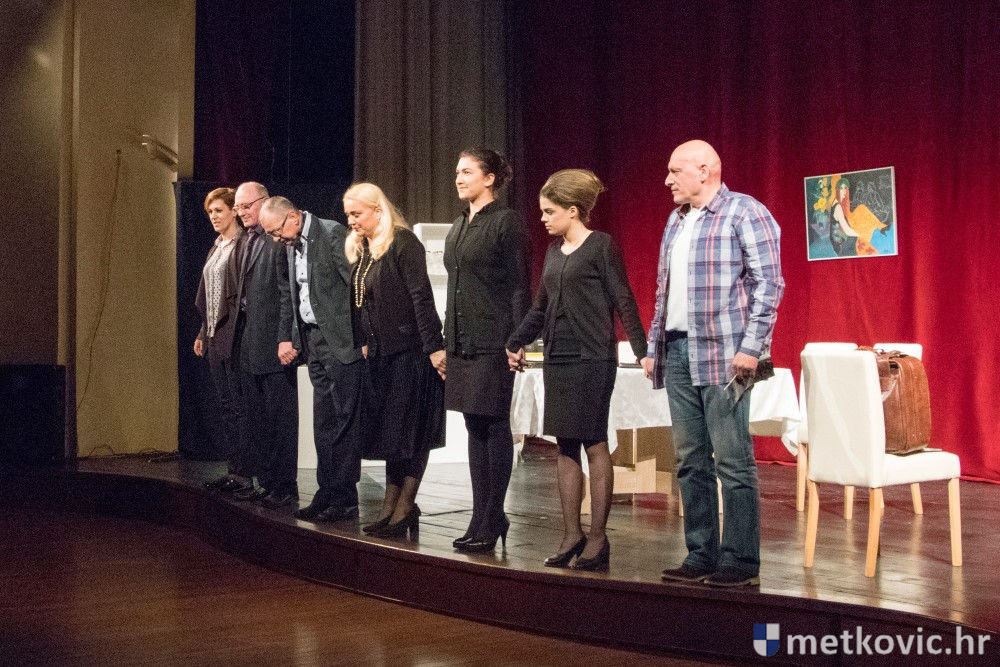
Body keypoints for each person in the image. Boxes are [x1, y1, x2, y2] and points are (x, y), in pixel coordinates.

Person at [643, 140, 784, 588]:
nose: (667, 180)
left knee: (732, 461)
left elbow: (769, 285)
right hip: (678, 350)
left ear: (704, 170)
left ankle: (740, 561)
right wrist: (653, 345)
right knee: (689, 459)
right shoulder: (676, 220)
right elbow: (664, 290)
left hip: (725, 353)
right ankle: (700, 552)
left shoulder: (745, 212)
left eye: (675, 171)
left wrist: (752, 346)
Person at [506, 169, 646, 571]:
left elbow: (623, 298)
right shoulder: (554, 252)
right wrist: (516, 340)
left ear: (573, 210)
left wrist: (643, 351)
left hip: (592, 357)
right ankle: (572, 534)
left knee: (593, 442)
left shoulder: (601, 246)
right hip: (559, 358)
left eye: (549, 212)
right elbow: (540, 307)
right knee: (564, 443)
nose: (543, 219)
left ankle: (598, 539)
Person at [344, 182, 446, 538]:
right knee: (392, 434)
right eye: (348, 215)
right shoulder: (365, 249)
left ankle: (405, 506)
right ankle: (390, 506)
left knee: (413, 432)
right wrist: (362, 342)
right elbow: (360, 304)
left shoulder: (403, 243)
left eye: (357, 213)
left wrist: (434, 347)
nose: (351, 221)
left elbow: (421, 297)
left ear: (378, 210)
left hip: (410, 353)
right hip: (381, 355)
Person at [259, 196, 366, 523]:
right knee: (323, 421)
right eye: (271, 234)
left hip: (341, 341)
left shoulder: (331, 234)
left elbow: (356, 287)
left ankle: (345, 498)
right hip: (313, 340)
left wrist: (361, 337)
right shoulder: (290, 245)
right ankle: (327, 490)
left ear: (293, 217)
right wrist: (291, 336)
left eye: (276, 231)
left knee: (344, 420)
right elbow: (290, 294)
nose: (275, 239)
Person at [445, 148, 530, 553]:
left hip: (493, 340)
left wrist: (518, 339)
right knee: (473, 424)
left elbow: (519, 286)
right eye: (457, 173)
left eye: (467, 172)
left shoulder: (505, 222)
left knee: (493, 424)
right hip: (461, 340)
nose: (459, 179)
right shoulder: (460, 222)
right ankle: (481, 516)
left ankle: (493, 516)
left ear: (490, 178)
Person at [232, 182, 299, 508]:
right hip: (251, 342)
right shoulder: (247, 240)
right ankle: (267, 481)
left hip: (275, 343)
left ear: (264, 201)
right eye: (238, 207)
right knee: (258, 417)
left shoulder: (277, 240)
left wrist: (285, 337)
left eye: (246, 206)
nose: (241, 212)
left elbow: (288, 293)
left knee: (280, 418)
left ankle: (284, 486)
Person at [194, 187, 249, 492]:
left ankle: (246, 474)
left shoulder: (243, 244)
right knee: (226, 405)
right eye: (210, 212)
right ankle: (234, 470)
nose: (214, 217)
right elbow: (208, 295)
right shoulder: (216, 247)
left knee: (240, 406)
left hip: (235, 335)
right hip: (215, 335)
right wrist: (203, 331)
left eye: (219, 211)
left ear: (233, 211)